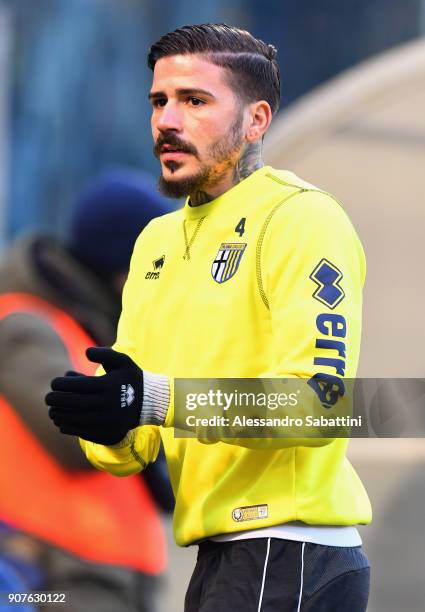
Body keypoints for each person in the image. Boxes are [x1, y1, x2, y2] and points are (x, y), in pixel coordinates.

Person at [46, 24, 372, 611]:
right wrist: (107, 420)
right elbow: (136, 439)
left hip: (291, 546)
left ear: (256, 120)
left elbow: (319, 405)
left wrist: (153, 400)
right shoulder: (155, 241)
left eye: (195, 100)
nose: (168, 119)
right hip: (218, 554)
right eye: (159, 101)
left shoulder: (303, 221)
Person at [0, 168, 172, 612]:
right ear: (123, 271)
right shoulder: (23, 323)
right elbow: (77, 435)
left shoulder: (91, 333)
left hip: (107, 577)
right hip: (54, 577)